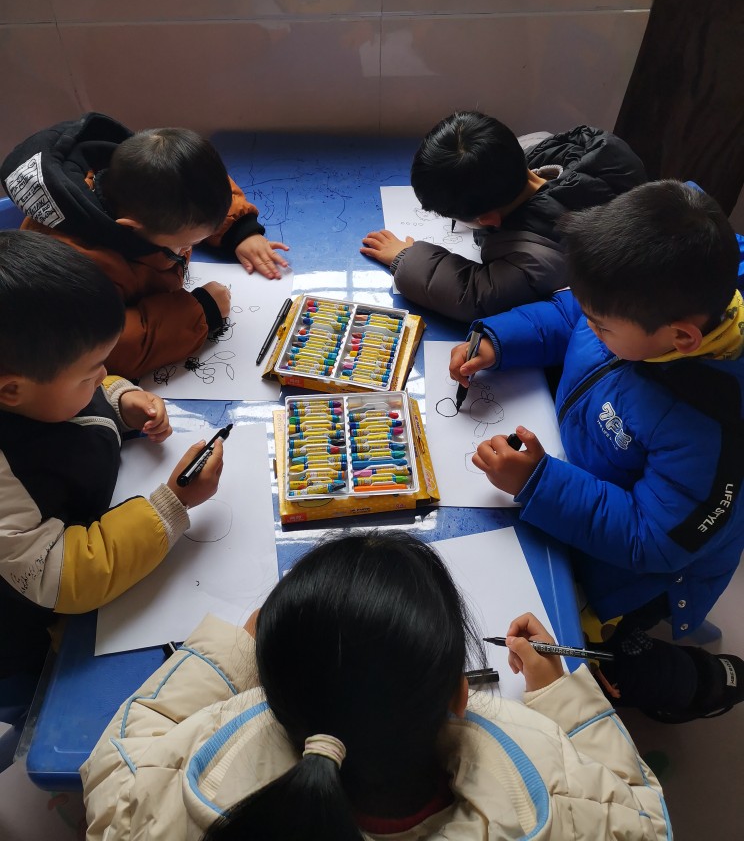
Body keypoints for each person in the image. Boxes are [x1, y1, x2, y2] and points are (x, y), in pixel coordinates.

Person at [82, 530, 669, 840]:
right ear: (460, 695)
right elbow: (643, 819)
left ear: (271, 690)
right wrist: (560, 696)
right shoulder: (533, 761)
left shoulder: (179, 781)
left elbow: (117, 767)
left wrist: (232, 653)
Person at [449, 180, 744, 723]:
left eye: (601, 326)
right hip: (583, 492)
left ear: (681, 339)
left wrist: (540, 483)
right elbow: (567, 316)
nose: (588, 325)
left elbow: (654, 539)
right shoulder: (633, 302)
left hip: (635, 575)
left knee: (612, 670)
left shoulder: (711, 424)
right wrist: (499, 341)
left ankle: (707, 684)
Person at [0, 230, 225, 684]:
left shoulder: (35, 385)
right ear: (10, 391)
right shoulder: (8, 484)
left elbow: (79, 396)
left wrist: (121, 400)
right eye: (91, 374)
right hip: (36, 639)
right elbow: (62, 575)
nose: (106, 373)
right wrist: (172, 505)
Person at [0, 113, 290, 379]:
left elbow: (202, 188)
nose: (189, 249)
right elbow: (103, 347)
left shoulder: (144, 179)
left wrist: (240, 231)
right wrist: (202, 311)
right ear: (131, 229)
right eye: (186, 244)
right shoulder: (75, 265)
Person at [360, 112, 647, 323]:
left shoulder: (540, 256)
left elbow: (474, 296)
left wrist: (405, 257)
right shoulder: (550, 148)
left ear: (488, 219)